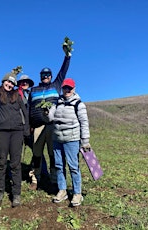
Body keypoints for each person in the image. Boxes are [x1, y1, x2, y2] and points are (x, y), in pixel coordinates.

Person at [0, 47, 30, 208]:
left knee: (16, 164)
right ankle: (0, 192)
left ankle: (16, 194)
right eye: (7, 81)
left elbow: (24, 113)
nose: (9, 84)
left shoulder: (17, 96)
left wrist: (26, 132)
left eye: (12, 82)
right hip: (1, 133)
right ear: (3, 82)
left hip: (17, 133)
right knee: (1, 162)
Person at [27, 37, 73, 192]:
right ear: (40, 76)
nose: (45, 76)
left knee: (54, 155)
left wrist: (67, 56)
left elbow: (63, 71)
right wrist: (29, 127)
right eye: (43, 74)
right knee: (36, 154)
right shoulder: (34, 90)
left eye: (48, 74)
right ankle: (35, 179)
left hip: (52, 126)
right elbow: (28, 109)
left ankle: (55, 180)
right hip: (38, 126)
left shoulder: (56, 85)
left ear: (51, 76)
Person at [46, 78, 90, 206]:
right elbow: (50, 118)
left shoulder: (79, 104)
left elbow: (84, 123)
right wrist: (47, 112)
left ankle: (77, 193)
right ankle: (62, 190)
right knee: (59, 166)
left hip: (72, 139)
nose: (67, 90)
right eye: (65, 87)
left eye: (69, 88)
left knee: (73, 167)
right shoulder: (56, 103)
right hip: (57, 139)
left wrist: (85, 141)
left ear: (74, 89)